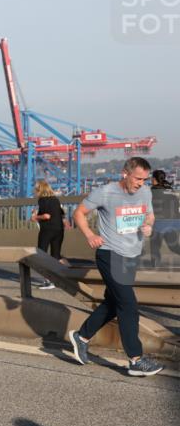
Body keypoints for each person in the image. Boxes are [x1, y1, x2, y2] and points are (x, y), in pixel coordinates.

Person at [68, 157, 162, 376]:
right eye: (138, 178)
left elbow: (150, 215)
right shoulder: (105, 192)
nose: (141, 183)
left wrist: (148, 225)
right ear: (125, 173)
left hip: (131, 255)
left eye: (144, 179)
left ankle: (80, 337)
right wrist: (90, 234)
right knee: (128, 305)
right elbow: (78, 213)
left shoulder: (145, 192)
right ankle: (136, 360)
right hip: (110, 254)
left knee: (113, 303)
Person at [30, 179, 67, 289]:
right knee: (56, 255)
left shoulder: (42, 200)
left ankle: (49, 280)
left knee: (42, 254)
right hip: (59, 229)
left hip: (47, 230)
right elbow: (62, 215)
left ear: (39, 190)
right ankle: (66, 276)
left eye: (36, 190)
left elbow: (47, 216)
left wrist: (35, 217)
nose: (35, 192)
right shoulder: (56, 199)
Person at [149, 169, 180, 268]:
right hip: (173, 224)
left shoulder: (151, 192)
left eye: (152, 178)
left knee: (154, 246)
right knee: (174, 247)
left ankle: (154, 265)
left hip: (158, 224)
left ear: (154, 179)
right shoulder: (170, 190)